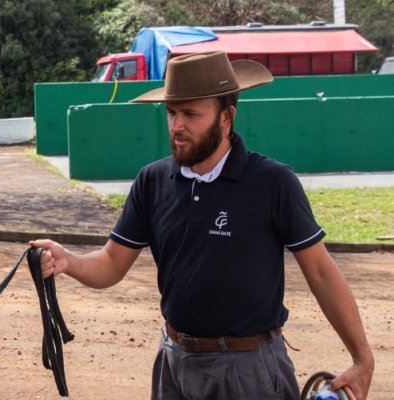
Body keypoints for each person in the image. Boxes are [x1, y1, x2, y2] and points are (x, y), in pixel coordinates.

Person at [30, 51, 374, 400]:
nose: (177, 125)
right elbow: (112, 264)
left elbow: (320, 272)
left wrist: (362, 359)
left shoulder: (273, 182)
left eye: (191, 114)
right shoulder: (153, 181)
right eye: (172, 113)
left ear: (226, 118)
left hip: (248, 370)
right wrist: (67, 261)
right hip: (173, 363)